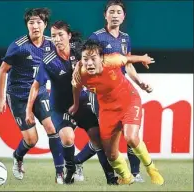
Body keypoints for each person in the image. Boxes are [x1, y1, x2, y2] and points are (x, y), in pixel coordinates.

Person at [26, 20, 118, 185]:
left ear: (69, 36)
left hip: (81, 103)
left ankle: (111, 178)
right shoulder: (48, 60)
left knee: (97, 138)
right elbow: (35, 86)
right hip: (60, 108)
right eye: (53, 36)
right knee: (68, 138)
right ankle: (70, 169)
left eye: (61, 35)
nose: (57, 39)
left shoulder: (80, 51)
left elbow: (98, 59)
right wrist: (28, 111)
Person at [74, 0, 153, 182]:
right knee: (105, 139)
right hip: (101, 95)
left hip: (123, 92)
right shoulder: (97, 37)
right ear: (105, 15)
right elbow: (85, 62)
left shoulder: (125, 38)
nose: (115, 15)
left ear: (124, 16)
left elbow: (128, 65)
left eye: (119, 12)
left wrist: (140, 83)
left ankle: (135, 172)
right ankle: (80, 162)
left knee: (131, 133)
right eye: (112, 11)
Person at [69, 40, 164, 185]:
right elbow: (75, 88)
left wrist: (143, 58)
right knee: (110, 154)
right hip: (107, 111)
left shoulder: (112, 60)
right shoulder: (81, 74)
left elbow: (127, 59)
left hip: (129, 102)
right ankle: (126, 177)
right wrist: (75, 105)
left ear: (101, 58)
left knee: (131, 138)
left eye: (93, 59)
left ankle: (152, 170)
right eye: (85, 59)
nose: (89, 63)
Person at [0, 8, 64, 184]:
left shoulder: (51, 45)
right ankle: (18, 156)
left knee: (52, 128)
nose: (35, 26)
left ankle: (60, 173)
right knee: (32, 140)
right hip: (18, 95)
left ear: (45, 25)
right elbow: (2, 71)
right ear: (27, 25)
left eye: (39, 22)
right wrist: (1, 98)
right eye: (31, 22)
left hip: (39, 93)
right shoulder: (18, 46)